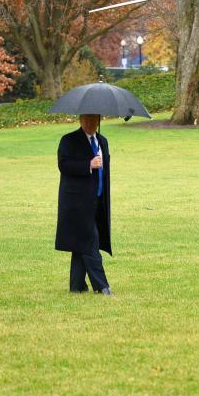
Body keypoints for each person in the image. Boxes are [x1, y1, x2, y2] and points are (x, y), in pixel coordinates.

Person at [55, 114, 113, 295]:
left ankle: (77, 286)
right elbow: (64, 165)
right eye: (86, 120)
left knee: (81, 242)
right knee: (90, 241)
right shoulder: (68, 140)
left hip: (97, 201)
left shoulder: (102, 141)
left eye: (93, 120)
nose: (90, 123)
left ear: (98, 121)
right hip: (77, 203)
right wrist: (88, 164)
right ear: (80, 120)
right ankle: (102, 285)